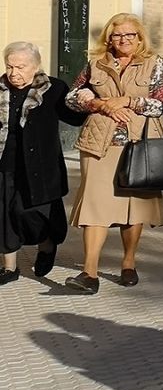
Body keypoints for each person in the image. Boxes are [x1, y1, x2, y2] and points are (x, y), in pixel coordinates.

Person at [62, 13, 163, 294]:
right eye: (117, 35)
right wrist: (102, 104)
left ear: (140, 38)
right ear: (108, 38)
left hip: (139, 144)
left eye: (130, 35)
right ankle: (89, 274)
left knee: (133, 208)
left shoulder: (154, 63)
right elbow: (72, 98)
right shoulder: (96, 64)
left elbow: (161, 104)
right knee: (95, 208)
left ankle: (128, 263)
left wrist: (127, 101)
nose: (123, 40)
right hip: (99, 144)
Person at [1, 42, 88, 284]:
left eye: (20, 67)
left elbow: (74, 117)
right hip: (6, 161)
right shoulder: (0, 88)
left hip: (41, 164)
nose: (13, 72)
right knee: (5, 213)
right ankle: (9, 267)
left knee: (33, 213)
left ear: (36, 66)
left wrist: (85, 99)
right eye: (9, 66)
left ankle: (47, 244)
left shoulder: (53, 88)